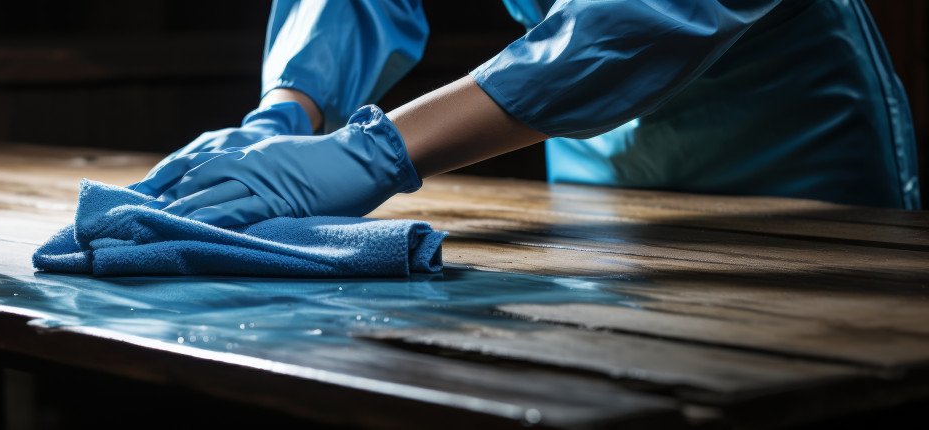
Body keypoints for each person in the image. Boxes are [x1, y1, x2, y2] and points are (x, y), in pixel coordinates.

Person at [130, 0, 921, 228]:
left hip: (789, 151)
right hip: (588, 154)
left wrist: (374, 153)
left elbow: (640, 15)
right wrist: (290, 108)